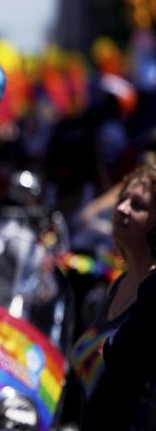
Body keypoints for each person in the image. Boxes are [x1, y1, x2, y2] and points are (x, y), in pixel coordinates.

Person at [67, 163, 156, 430]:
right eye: (123, 199)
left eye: (137, 205)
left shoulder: (154, 293)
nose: (121, 208)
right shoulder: (118, 284)